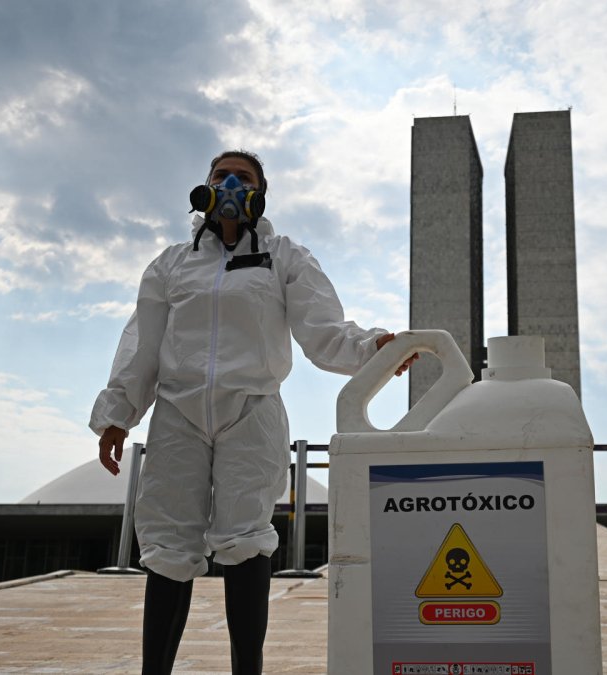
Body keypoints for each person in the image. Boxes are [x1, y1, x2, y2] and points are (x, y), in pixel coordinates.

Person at [91, 150, 414, 674]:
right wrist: (118, 413)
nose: (232, 183)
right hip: (178, 412)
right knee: (170, 542)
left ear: (262, 192)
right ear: (206, 187)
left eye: (244, 176)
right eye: (222, 175)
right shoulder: (172, 263)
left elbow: (323, 330)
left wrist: (373, 348)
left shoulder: (285, 257)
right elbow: (142, 344)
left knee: (245, 540)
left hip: (252, 408)